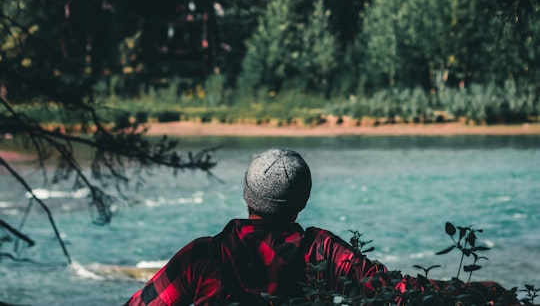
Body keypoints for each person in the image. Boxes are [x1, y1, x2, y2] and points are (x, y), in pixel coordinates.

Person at [123, 148, 516, 306]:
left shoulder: (204, 256)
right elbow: (398, 293)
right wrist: (480, 292)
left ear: (246, 195)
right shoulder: (321, 252)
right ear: (303, 202)